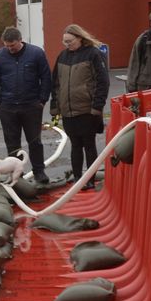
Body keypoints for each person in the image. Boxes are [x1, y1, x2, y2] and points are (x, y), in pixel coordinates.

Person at [0, 26, 53, 184]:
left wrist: (42, 100)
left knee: (35, 141)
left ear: (20, 40)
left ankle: (39, 172)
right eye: (7, 46)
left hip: (31, 105)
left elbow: (45, 77)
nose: (10, 49)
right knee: (12, 142)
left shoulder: (36, 53)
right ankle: (17, 175)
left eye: (13, 45)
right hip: (8, 107)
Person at [50, 24, 110, 188]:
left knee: (88, 144)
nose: (67, 45)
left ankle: (89, 179)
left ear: (80, 38)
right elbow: (55, 83)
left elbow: (102, 82)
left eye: (70, 41)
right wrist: (55, 107)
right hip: (68, 111)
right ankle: (78, 179)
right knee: (75, 145)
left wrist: (97, 107)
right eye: (64, 42)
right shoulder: (62, 56)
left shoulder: (93, 54)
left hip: (87, 109)